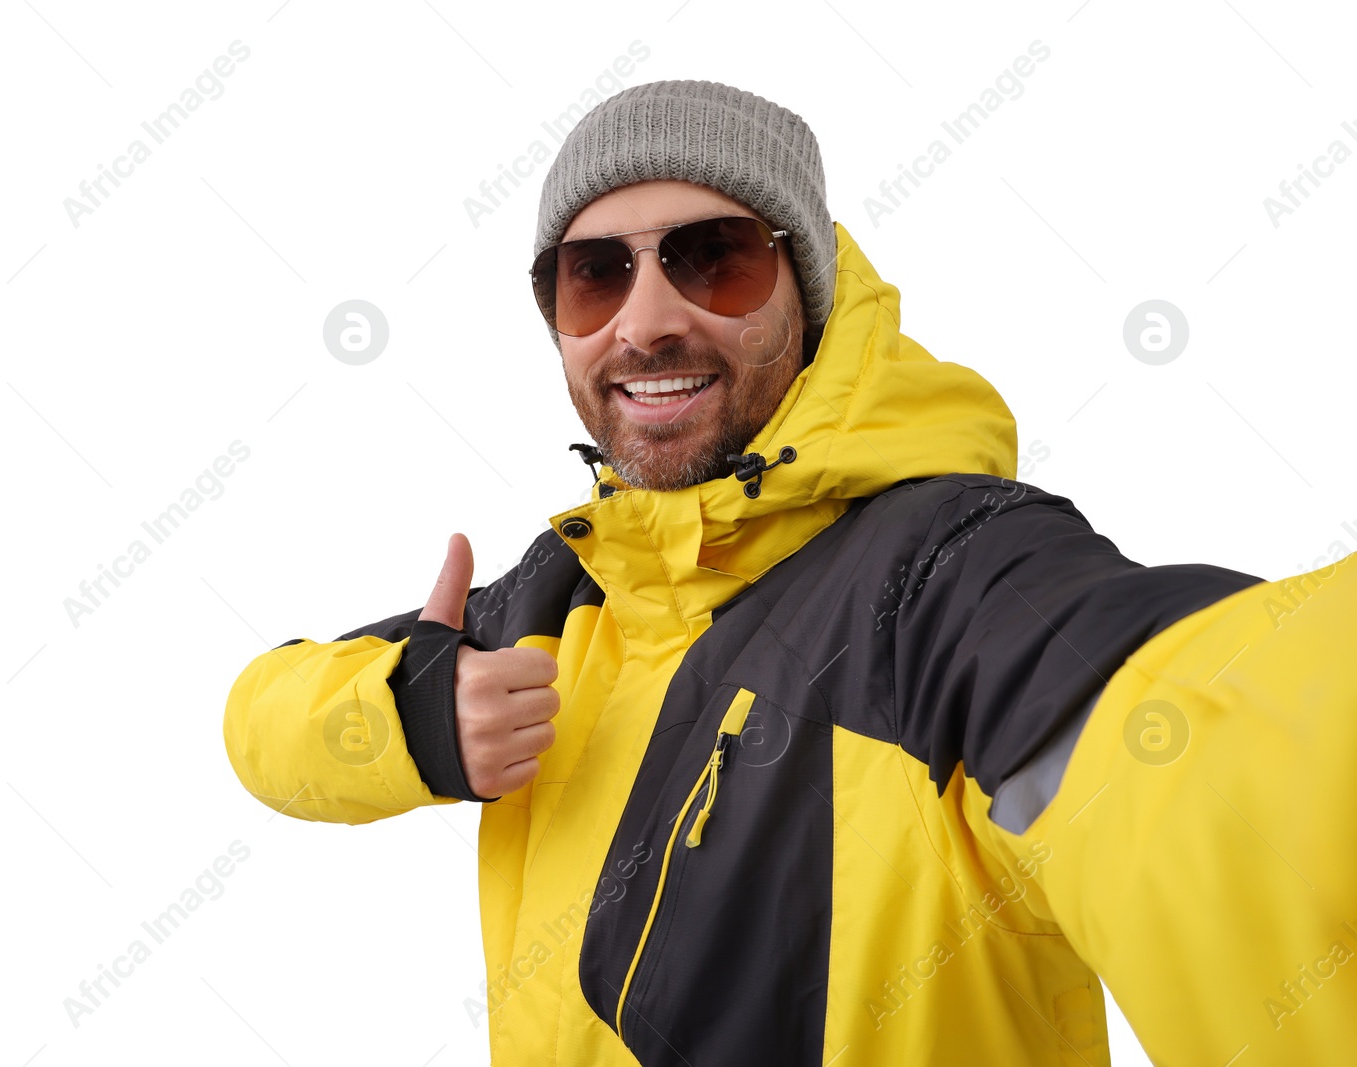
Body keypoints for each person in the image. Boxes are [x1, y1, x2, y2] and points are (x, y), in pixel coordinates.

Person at [222, 79, 1356, 1066]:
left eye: (713, 258)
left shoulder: (946, 574)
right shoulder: (565, 593)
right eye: (592, 275)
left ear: (806, 294)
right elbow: (257, 717)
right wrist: (405, 715)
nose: (647, 320)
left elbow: (1198, 732)